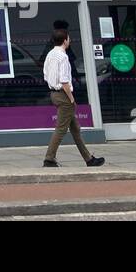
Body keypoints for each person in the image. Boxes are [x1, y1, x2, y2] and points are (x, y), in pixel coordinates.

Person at [42, 27, 104, 168]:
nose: (69, 40)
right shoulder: (63, 57)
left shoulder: (50, 54)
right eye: (68, 38)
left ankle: (88, 159)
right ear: (65, 41)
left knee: (75, 128)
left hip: (54, 93)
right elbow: (64, 81)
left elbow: (45, 74)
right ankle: (49, 159)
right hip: (63, 95)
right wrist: (71, 98)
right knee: (61, 129)